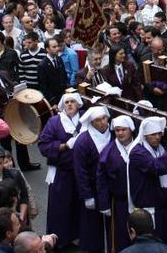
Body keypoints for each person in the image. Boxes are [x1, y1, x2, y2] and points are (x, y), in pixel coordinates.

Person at [128, 116, 167, 249]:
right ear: (145, 135)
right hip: (150, 210)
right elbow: (158, 167)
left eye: (159, 133)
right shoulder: (137, 153)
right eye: (153, 134)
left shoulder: (160, 149)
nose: (157, 137)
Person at [37, 93, 82, 247]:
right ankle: (58, 241)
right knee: (60, 208)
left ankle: (77, 236)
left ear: (79, 104)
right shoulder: (54, 122)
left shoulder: (84, 121)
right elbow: (43, 146)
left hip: (80, 173)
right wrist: (63, 146)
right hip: (61, 173)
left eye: (73, 102)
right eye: (66, 102)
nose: (69, 104)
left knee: (79, 206)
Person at [72, 106, 111, 253]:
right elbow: (80, 171)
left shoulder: (112, 135)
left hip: (109, 187)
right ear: (91, 123)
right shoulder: (83, 141)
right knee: (92, 224)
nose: (102, 123)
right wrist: (87, 195)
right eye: (97, 120)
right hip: (92, 188)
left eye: (104, 118)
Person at [97, 115, 135, 252]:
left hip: (138, 201)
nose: (120, 133)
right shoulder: (108, 152)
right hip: (118, 203)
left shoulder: (138, 147)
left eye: (123, 130)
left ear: (131, 130)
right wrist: (104, 204)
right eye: (117, 130)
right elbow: (101, 180)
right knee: (119, 236)